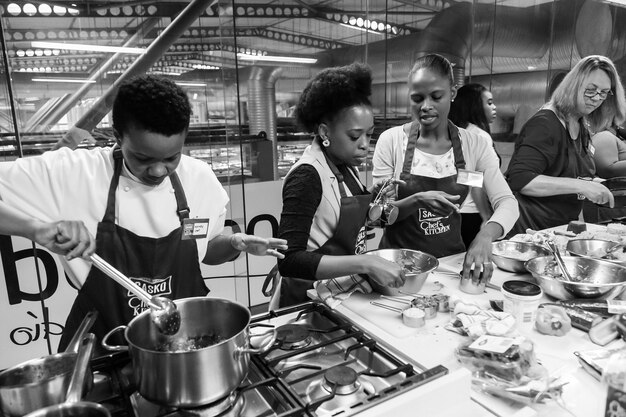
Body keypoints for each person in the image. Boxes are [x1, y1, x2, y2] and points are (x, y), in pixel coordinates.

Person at [0, 74, 287, 351]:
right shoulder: (72, 173)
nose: (159, 170)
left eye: (172, 157)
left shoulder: (198, 178)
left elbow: (206, 250)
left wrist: (234, 244)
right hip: (102, 351)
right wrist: (36, 229)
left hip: (182, 347)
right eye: (142, 158)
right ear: (117, 136)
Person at [372, 54, 519, 284]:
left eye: (436, 96)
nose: (426, 106)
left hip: (451, 263)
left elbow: (507, 202)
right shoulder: (391, 141)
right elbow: (380, 218)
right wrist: (416, 200)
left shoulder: (474, 145)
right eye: (417, 98)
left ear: (452, 93)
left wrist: (486, 234)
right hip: (399, 267)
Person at [271, 63, 405, 308]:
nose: (365, 144)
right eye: (355, 136)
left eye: (370, 134)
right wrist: (367, 263)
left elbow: (362, 223)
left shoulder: (346, 166)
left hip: (341, 290)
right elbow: (289, 260)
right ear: (324, 132)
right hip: (308, 299)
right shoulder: (307, 176)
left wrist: (378, 202)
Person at [506, 55, 626, 234]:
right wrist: (583, 187)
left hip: (557, 229)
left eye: (603, 93)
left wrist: (601, 185)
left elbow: (574, 175)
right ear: (574, 86)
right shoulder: (545, 124)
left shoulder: (581, 125)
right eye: (590, 90)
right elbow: (521, 180)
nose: (596, 98)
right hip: (527, 230)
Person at [449, 83, 498, 247]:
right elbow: (473, 180)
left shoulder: (454, 132)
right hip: (471, 213)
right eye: (489, 103)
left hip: (451, 211)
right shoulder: (478, 136)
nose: (494, 107)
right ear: (475, 106)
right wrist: (486, 216)